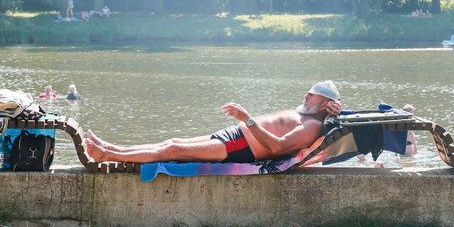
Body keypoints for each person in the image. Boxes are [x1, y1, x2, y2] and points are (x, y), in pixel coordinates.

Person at [84, 81, 343, 164]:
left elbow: (276, 147)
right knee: (171, 142)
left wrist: (247, 119)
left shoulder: (311, 126)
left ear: (325, 102)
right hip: (235, 136)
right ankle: (111, 148)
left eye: (313, 93)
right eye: (308, 91)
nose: (306, 94)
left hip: (241, 147)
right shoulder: (310, 115)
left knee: (173, 150)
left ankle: (107, 155)